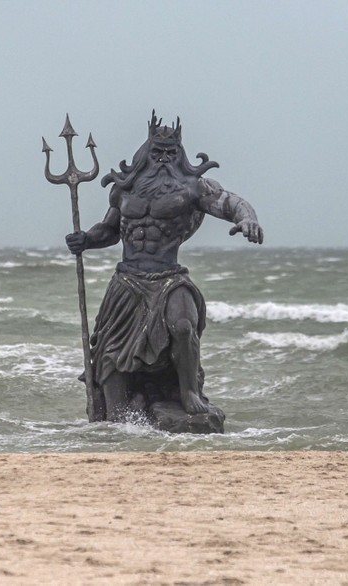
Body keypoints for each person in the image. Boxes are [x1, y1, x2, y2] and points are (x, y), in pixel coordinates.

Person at [66, 111, 263, 423]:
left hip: (169, 278)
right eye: (157, 152)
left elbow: (232, 203)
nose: (163, 160)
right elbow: (110, 229)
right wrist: (86, 240)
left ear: (180, 154)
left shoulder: (194, 188)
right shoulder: (124, 188)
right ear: (146, 151)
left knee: (183, 326)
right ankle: (128, 407)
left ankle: (188, 392)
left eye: (171, 153)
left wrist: (247, 218)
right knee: (109, 358)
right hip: (127, 281)